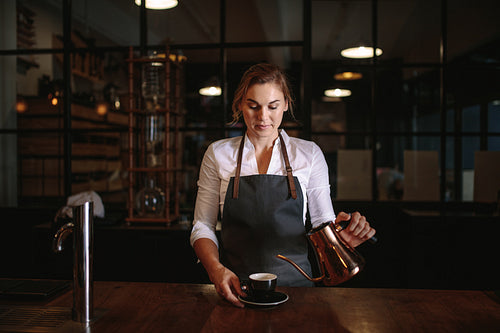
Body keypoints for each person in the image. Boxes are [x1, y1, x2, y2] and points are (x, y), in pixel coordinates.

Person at [190, 63, 376, 308]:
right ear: (239, 105)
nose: (263, 117)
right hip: (235, 288)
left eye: (273, 106)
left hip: (297, 291)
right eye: (253, 106)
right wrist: (216, 271)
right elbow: (202, 225)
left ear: (286, 104)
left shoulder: (309, 154)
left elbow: (323, 223)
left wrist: (340, 242)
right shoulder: (218, 154)